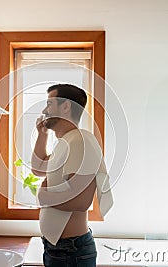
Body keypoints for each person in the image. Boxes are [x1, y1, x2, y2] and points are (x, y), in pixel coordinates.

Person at [31, 84, 112, 267]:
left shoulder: (80, 141)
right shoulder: (66, 143)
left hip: (70, 251)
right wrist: (42, 134)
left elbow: (81, 201)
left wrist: (43, 197)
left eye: (49, 104)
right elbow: (37, 168)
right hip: (60, 249)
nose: (44, 110)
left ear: (66, 106)